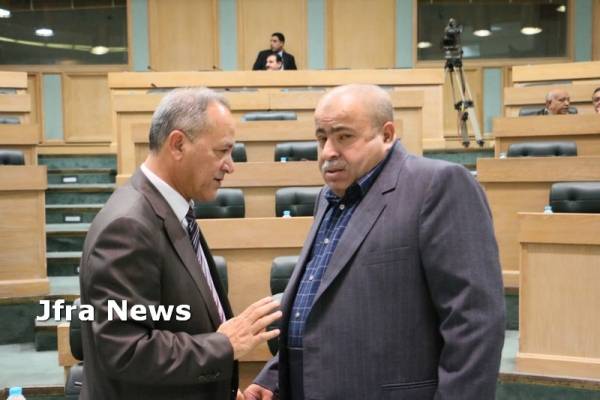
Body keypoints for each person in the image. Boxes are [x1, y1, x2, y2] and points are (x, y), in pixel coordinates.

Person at [244, 84, 505, 400]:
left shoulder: (438, 185)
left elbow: (475, 322)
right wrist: (274, 378)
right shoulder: (328, 198)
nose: (328, 152)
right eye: (322, 138)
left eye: (344, 137)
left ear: (387, 134)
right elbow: (317, 309)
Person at [79, 87, 281, 400]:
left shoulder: (169, 209)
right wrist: (224, 344)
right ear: (177, 144)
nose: (230, 165)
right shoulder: (128, 227)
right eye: (221, 151)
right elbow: (126, 350)